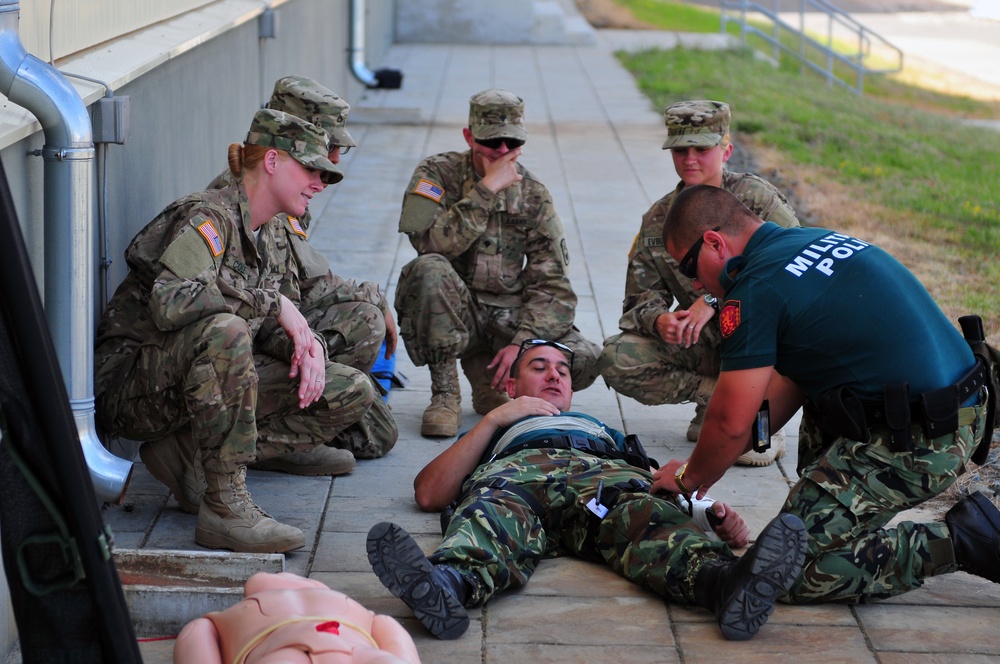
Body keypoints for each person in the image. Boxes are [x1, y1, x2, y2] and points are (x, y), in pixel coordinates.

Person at [655, 184, 999, 605]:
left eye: (690, 266)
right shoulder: (810, 238)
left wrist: (687, 479)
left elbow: (729, 423)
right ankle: (842, 517)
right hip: (960, 409)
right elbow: (784, 389)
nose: (693, 282)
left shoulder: (755, 288)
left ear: (714, 242)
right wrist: (730, 452)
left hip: (919, 442)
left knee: (782, 574)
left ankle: (961, 540)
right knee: (786, 543)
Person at [366, 340, 808, 642]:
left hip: (602, 481)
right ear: (511, 385)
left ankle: (724, 585)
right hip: (519, 479)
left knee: (645, 516)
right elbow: (428, 493)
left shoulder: (601, 428)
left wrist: (705, 510)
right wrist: (496, 420)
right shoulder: (495, 425)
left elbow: (660, 482)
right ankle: (447, 585)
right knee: (491, 513)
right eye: (538, 368)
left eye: (563, 371)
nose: (554, 377)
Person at [95, 109, 368, 553]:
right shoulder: (209, 218)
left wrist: (308, 345)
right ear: (273, 162)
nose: (320, 182)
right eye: (312, 169)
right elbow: (170, 302)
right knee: (227, 331)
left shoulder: (271, 231)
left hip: (188, 386)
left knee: (346, 389)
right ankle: (224, 507)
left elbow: (271, 327)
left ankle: (189, 453)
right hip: (131, 388)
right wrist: (272, 303)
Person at [209, 76, 398, 468]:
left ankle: (288, 430)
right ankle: (244, 447)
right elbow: (219, 307)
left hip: (265, 328)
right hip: (229, 353)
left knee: (377, 433)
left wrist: (314, 339)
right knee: (357, 387)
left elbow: (302, 282)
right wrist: (302, 341)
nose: (333, 162)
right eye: (329, 147)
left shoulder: (284, 197)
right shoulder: (233, 204)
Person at [598, 100, 799, 466]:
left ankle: (765, 410)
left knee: (749, 454)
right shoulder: (660, 217)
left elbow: (798, 268)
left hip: (763, 340)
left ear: (726, 149)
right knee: (616, 357)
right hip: (708, 343)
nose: (690, 159)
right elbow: (638, 299)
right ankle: (715, 399)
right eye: (680, 150)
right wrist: (660, 320)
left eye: (702, 149)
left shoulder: (758, 201)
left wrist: (714, 298)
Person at [393, 88, 601, 438]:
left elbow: (553, 287)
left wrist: (523, 343)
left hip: (508, 316)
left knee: (585, 360)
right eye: (492, 142)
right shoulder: (437, 173)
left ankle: (493, 379)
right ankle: (445, 394)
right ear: (469, 136)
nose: (503, 152)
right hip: (456, 310)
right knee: (428, 269)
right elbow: (429, 242)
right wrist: (486, 190)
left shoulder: (533, 193)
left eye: (512, 143)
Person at [173, 572, 420, 663]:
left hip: (281, 641)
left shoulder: (226, 620)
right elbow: (386, 626)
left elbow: (196, 634)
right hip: (344, 632)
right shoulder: (332, 598)